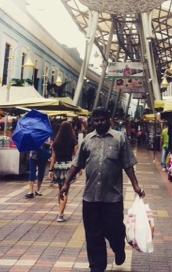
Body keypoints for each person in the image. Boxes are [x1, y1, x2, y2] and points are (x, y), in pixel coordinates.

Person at [60, 106, 145, 272]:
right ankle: (97, 266)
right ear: (93, 121)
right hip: (90, 197)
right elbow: (77, 163)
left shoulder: (119, 139)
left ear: (109, 121)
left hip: (112, 197)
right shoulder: (87, 140)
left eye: (102, 120)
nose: (99, 123)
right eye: (96, 120)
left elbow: (128, 164)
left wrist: (135, 185)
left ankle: (118, 247)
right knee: (93, 234)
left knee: (115, 229)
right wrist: (66, 183)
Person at [48, 121, 79, 222]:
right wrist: (79, 168)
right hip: (68, 167)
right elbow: (77, 155)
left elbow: (53, 156)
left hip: (57, 166)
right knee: (65, 191)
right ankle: (61, 214)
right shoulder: (73, 141)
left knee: (60, 189)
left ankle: (60, 210)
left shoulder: (56, 142)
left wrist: (50, 170)